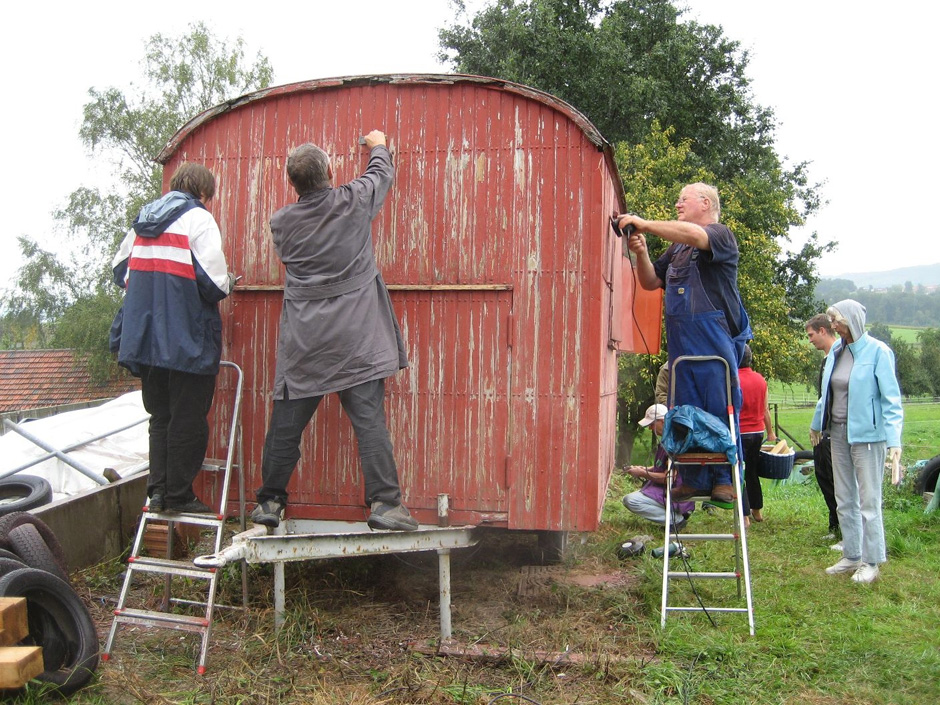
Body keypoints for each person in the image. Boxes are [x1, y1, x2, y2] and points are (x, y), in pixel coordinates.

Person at [250, 130, 417, 532]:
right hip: (356, 341)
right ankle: (386, 505)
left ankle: (270, 503)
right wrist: (378, 143)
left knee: (286, 424)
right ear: (329, 170)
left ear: (293, 183)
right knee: (369, 421)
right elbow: (380, 176)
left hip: (306, 344)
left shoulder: (281, 223)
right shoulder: (353, 202)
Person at [110, 162, 235, 514]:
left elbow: (121, 272)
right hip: (186, 340)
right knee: (188, 418)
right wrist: (229, 281)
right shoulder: (199, 218)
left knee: (160, 417)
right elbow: (214, 284)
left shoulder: (143, 221)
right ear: (204, 193)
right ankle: (180, 495)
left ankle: (159, 492)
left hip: (145, 339)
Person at [618, 183, 751, 506]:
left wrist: (646, 223)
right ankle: (691, 479)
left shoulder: (720, 234)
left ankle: (724, 480)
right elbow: (650, 282)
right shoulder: (676, 250)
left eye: (683, 199)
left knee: (718, 408)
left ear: (705, 203)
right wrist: (642, 253)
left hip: (713, 340)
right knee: (684, 414)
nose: (677, 204)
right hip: (682, 345)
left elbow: (695, 235)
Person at [811, 300, 902, 584]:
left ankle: (871, 560)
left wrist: (894, 441)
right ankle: (852, 554)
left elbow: (891, 400)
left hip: (868, 437)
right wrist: (817, 423)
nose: (833, 326)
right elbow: (827, 394)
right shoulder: (837, 351)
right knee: (844, 497)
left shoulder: (878, 352)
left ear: (851, 321)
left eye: (836, 320)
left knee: (869, 501)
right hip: (837, 433)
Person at [622, 404, 695, 529]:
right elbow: (661, 465)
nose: (650, 428)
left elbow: (669, 478)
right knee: (632, 497)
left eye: (652, 424)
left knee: (631, 500)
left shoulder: (674, 442)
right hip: (668, 489)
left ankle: (675, 520)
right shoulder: (666, 439)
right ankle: (674, 514)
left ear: (662, 421)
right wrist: (643, 469)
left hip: (678, 491)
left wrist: (642, 473)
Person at [805, 313, 840, 543]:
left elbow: (828, 397)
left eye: (811, 335)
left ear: (823, 331)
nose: (809, 340)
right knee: (823, 475)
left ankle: (845, 531)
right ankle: (835, 524)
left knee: (836, 479)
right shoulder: (826, 359)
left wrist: (817, 425)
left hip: (834, 428)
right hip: (824, 427)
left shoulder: (838, 356)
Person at [738, 344, 777, 522]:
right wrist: (770, 433)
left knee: (739, 472)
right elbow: (766, 410)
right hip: (757, 432)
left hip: (740, 432)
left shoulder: (733, 379)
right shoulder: (761, 379)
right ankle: (757, 511)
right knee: (752, 472)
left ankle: (744, 515)